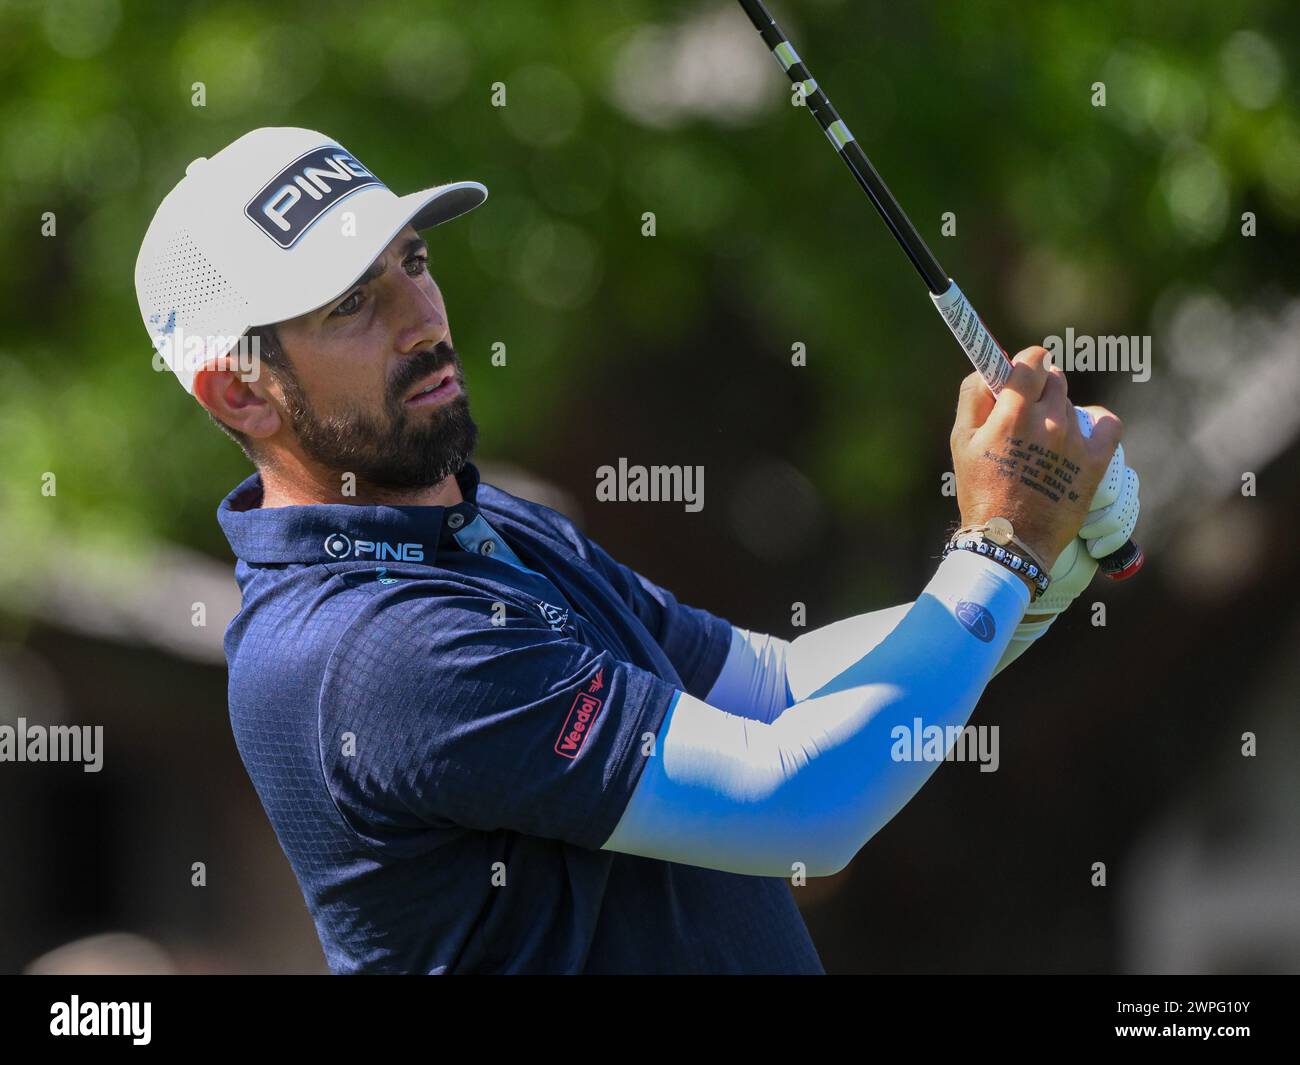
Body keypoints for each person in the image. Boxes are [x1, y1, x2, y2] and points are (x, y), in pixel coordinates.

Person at [134, 127, 1141, 974]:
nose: (423, 320)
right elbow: (796, 804)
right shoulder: (369, 648)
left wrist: (1040, 564)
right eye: (351, 302)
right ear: (238, 390)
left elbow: (779, 687)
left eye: (413, 262)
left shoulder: (486, 529)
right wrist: (1000, 545)